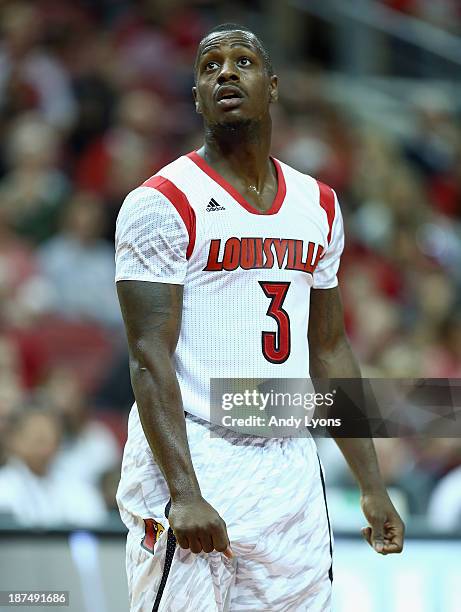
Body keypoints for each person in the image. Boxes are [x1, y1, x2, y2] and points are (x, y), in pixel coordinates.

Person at [115, 23, 405, 612]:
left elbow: (329, 350)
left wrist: (371, 485)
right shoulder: (160, 202)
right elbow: (148, 356)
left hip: (288, 456)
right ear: (196, 95)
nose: (225, 73)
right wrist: (184, 493)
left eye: (242, 61)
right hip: (196, 446)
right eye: (208, 66)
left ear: (272, 86)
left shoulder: (318, 203)